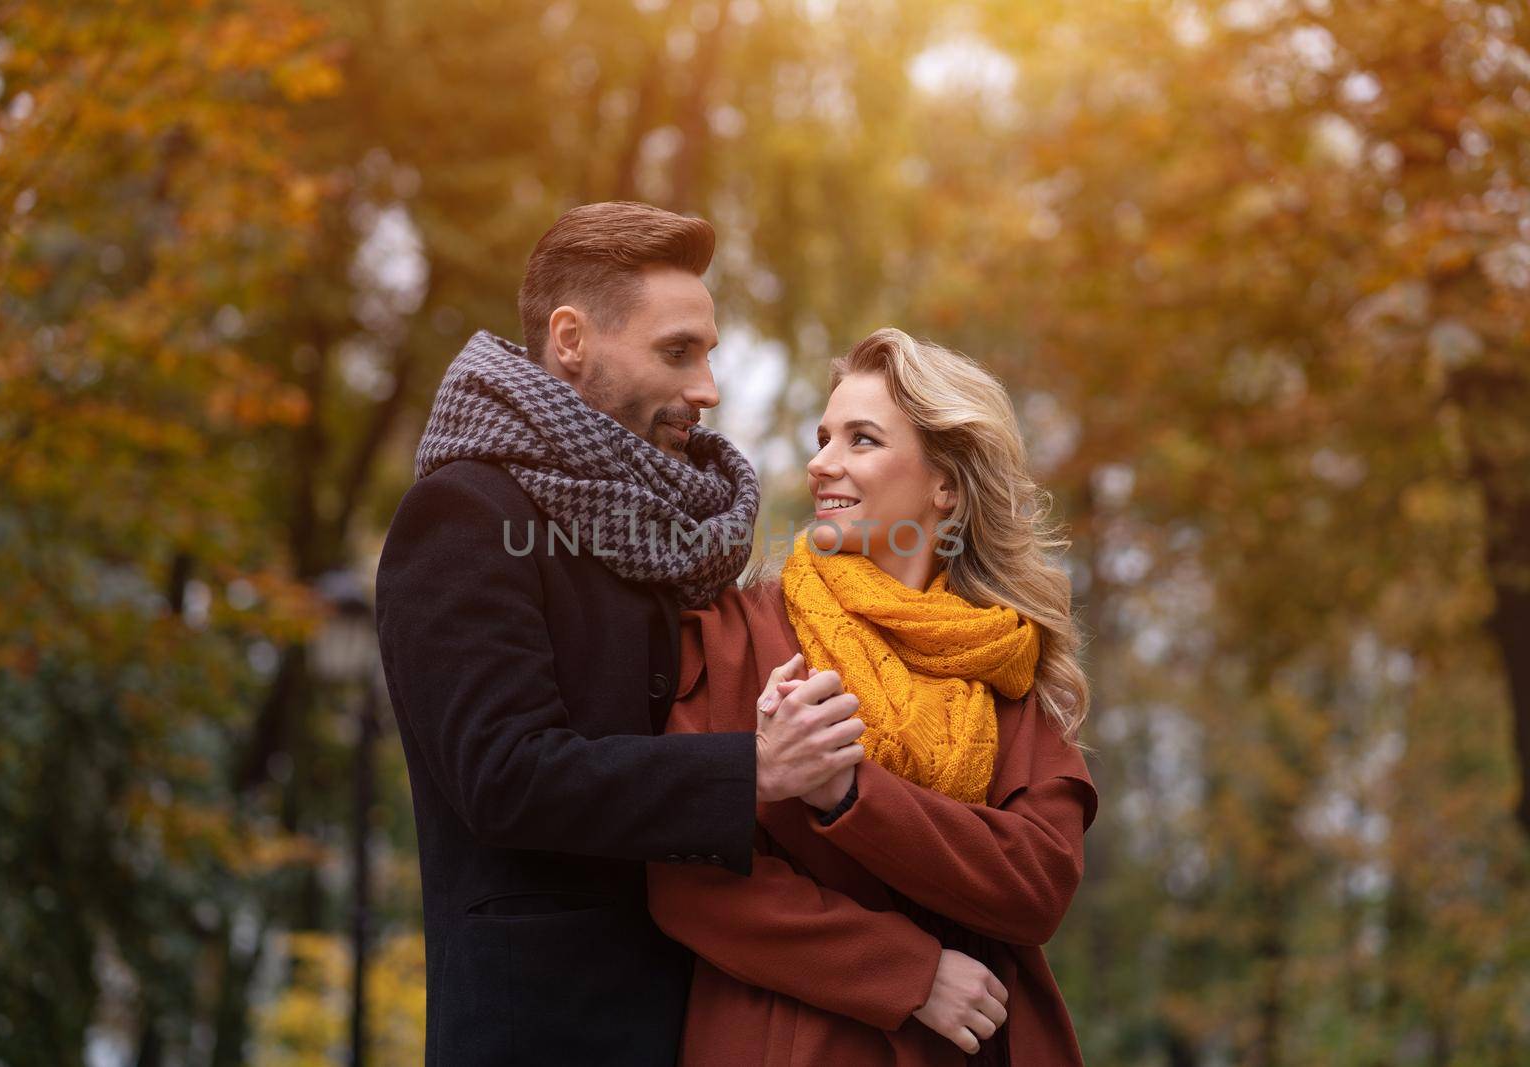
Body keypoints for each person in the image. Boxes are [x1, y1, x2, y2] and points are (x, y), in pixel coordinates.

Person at [375, 202, 866, 1065]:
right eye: (678, 352)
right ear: (571, 338)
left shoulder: (669, 525)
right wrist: (754, 768)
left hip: (710, 1019)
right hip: (547, 1032)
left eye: (709, 351)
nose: (708, 387)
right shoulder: (464, 512)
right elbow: (504, 773)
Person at [648, 327, 1099, 1066]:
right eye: (823, 437)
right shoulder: (740, 632)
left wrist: (849, 791)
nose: (821, 463)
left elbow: (1037, 884)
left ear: (945, 483)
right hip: (792, 1044)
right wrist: (910, 973)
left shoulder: (1004, 658)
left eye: (861, 440)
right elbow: (685, 877)